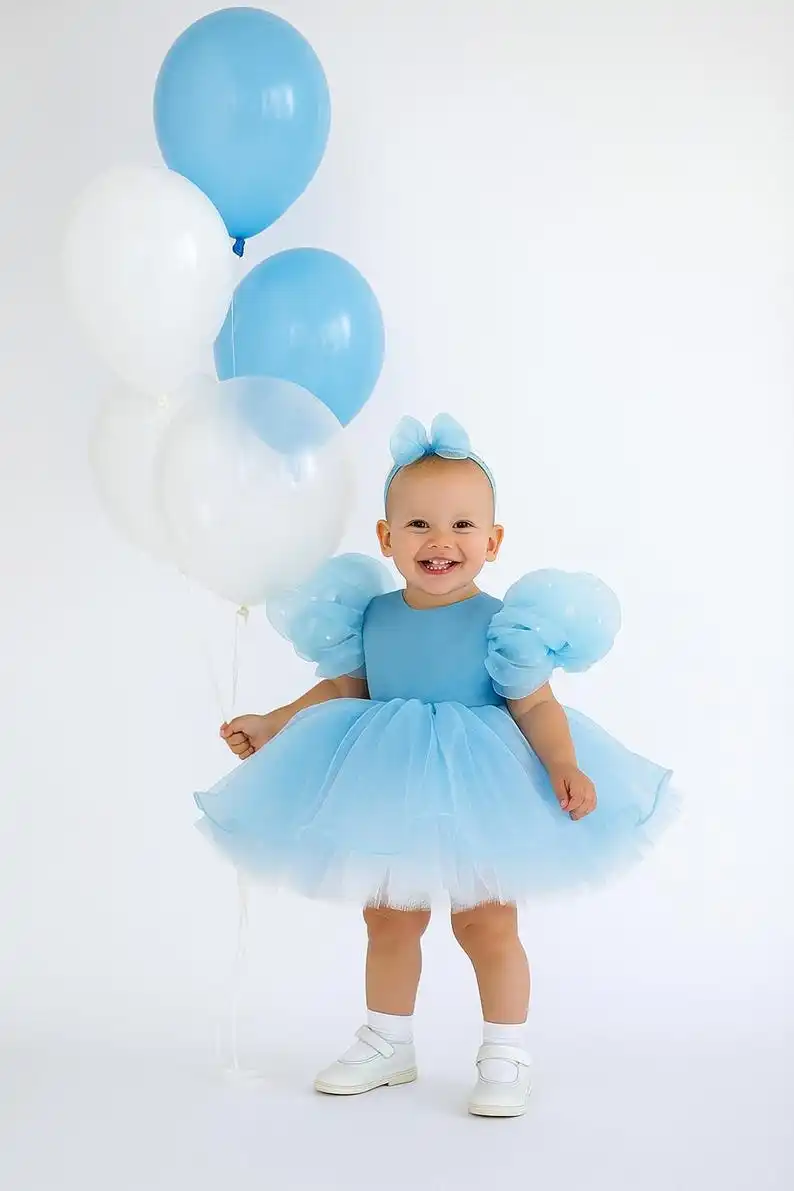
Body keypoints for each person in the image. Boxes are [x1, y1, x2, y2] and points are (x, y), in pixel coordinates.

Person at [195, 413, 676, 1117]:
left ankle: (505, 1050)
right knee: (388, 919)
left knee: (486, 922)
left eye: (461, 525)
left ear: (493, 540)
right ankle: (389, 1040)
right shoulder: (373, 616)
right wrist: (273, 722)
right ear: (387, 539)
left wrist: (564, 762)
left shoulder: (505, 624)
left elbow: (536, 705)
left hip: (481, 788)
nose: (440, 540)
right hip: (391, 784)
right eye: (418, 525)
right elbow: (342, 688)